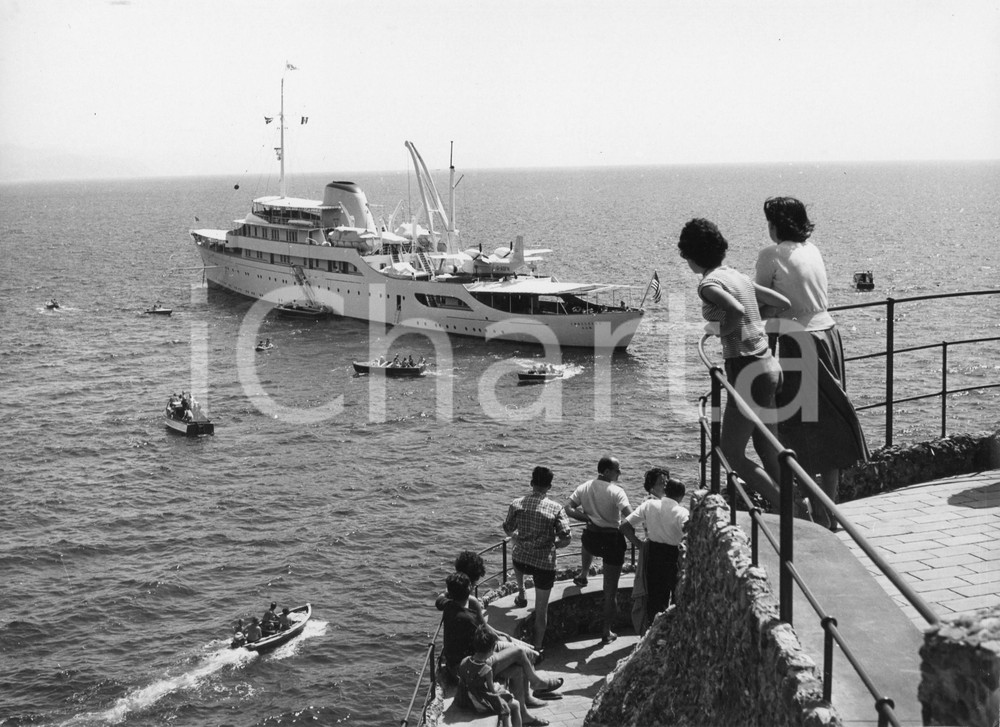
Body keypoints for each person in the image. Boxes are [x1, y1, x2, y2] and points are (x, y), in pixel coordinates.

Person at [755, 197, 870, 530]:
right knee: (829, 427)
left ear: (777, 223)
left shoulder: (771, 255)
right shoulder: (813, 249)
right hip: (828, 336)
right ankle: (827, 510)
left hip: (797, 341)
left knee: (796, 429)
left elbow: (761, 303)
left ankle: (817, 513)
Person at [677, 218, 794, 514]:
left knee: (730, 454)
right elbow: (781, 302)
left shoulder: (708, 284)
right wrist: (752, 323)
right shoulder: (736, 276)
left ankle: (788, 509)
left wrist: (723, 329)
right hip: (769, 363)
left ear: (690, 255)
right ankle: (802, 510)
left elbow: (736, 309)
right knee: (768, 448)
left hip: (747, 370)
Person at [503, 466, 572, 655]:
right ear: (549, 487)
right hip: (543, 564)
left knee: (515, 550)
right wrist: (552, 546)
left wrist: (517, 537)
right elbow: (566, 538)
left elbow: (507, 528)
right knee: (541, 611)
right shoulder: (556, 508)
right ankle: (538, 648)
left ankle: (521, 590)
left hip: (521, 560)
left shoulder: (517, 503)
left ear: (531, 483)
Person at [563, 455, 633, 644]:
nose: (620, 473)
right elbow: (629, 517)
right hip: (612, 540)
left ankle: (584, 573)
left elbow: (568, 508)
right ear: (608, 471)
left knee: (587, 540)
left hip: (592, 537)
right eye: (618, 470)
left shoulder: (585, 486)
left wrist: (586, 518)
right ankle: (606, 631)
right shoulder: (616, 491)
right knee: (610, 591)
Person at [621, 471, 689, 624]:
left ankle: (654, 634)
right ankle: (672, 634)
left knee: (655, 600)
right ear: (681, 496)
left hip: (653, 554)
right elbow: (690, 534)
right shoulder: (682, 512)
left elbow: (624, 526)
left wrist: (639, 545)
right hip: (674, 556)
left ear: (666, 491)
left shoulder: (649, 504)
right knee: (678, 598)